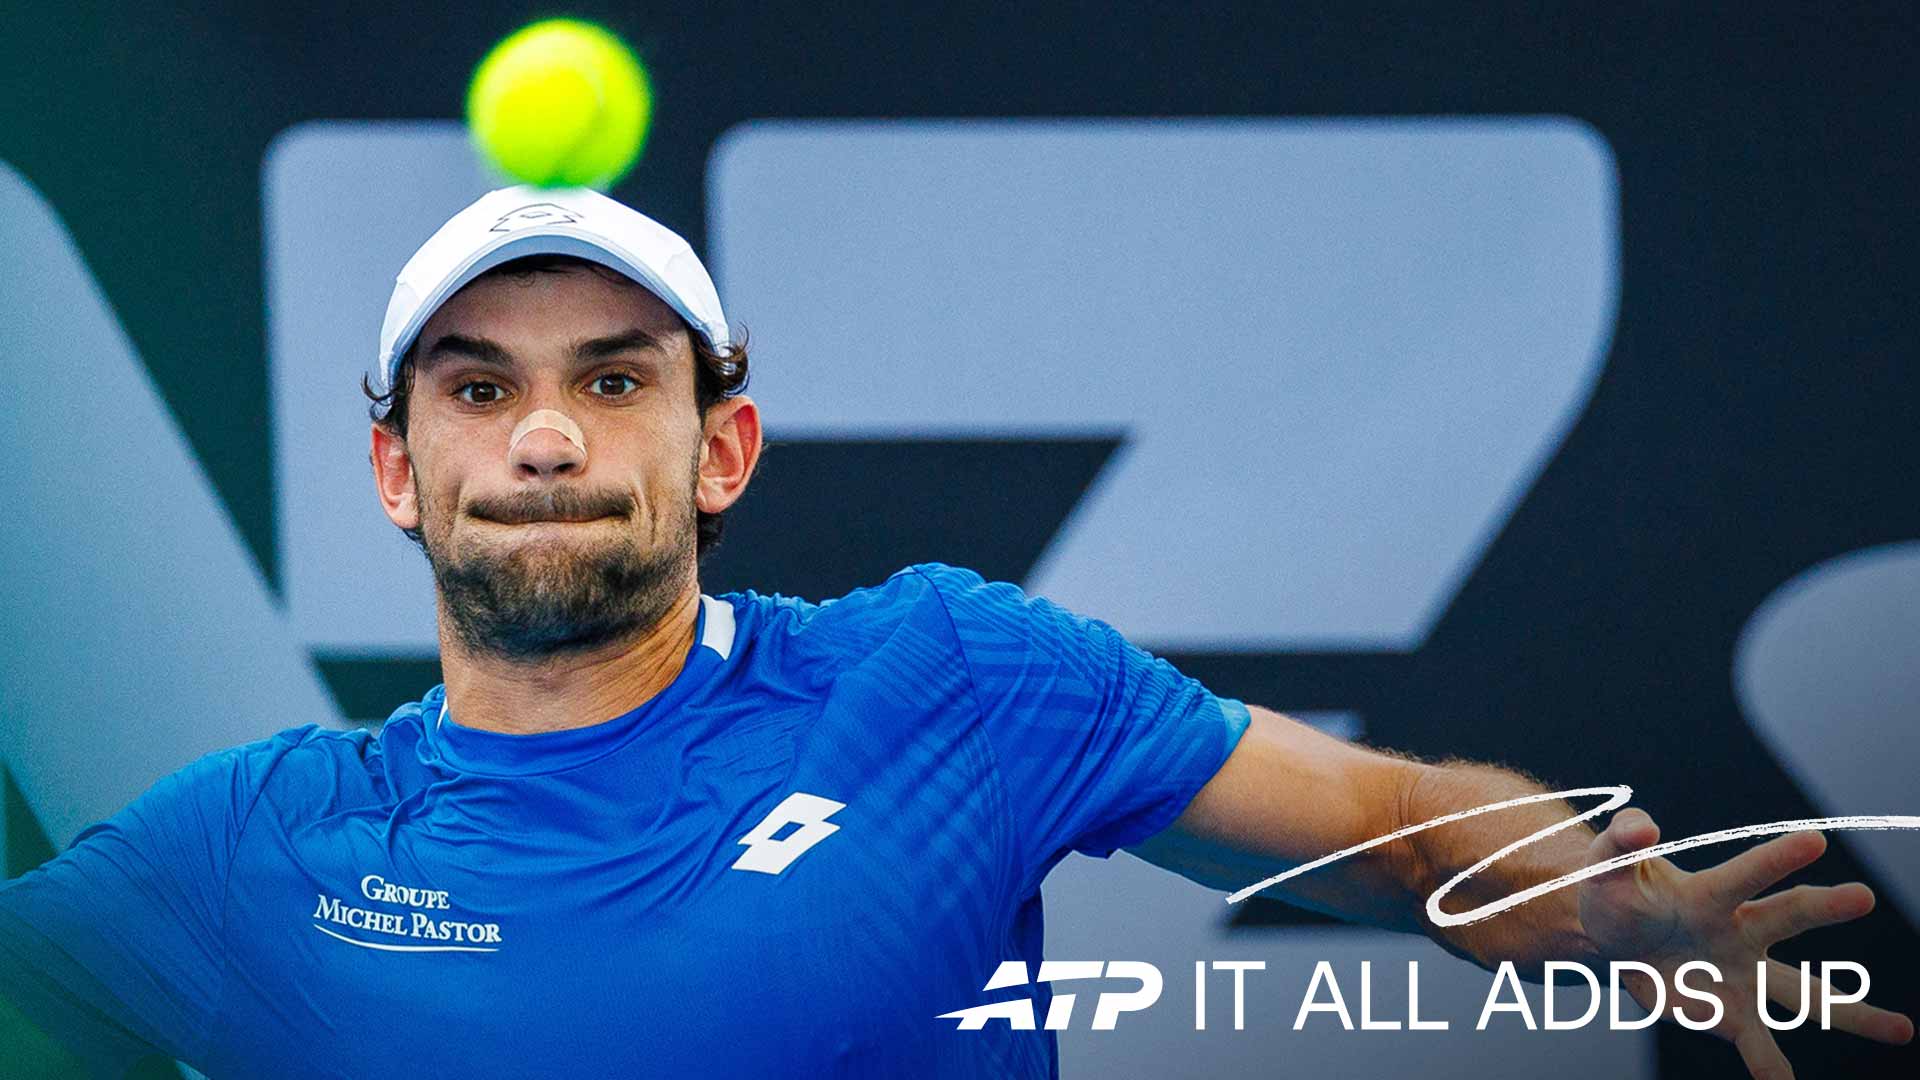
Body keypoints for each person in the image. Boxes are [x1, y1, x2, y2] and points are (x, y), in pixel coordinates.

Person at [0, 186, 1909, 1080]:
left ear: (719, 442)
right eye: (479, 392)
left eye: (612, 376)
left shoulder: (942, 677)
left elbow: (1395, 827)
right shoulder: (243, 845)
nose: (551, 434)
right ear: (397, 473)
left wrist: (1604, 905)